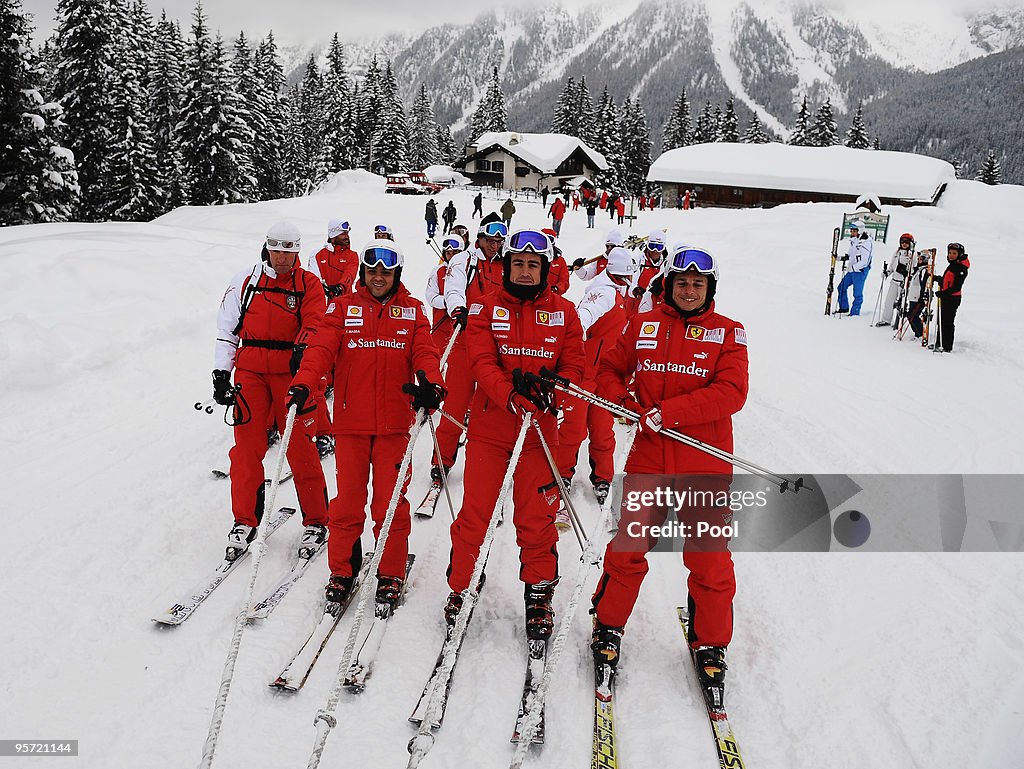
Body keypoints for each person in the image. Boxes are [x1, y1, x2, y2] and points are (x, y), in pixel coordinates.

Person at [590, 244, 748, 712]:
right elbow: (608, 370)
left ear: (709, 288)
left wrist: (671, 412)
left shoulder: (728, 333)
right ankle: (607, 627)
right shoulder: (641, 325)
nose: (689, 289)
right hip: (650, 457)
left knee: (710, 560)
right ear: (669, 285)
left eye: (698, 283)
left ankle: (711, 644)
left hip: (706, 462)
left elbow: (732, 391)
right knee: (628, 549)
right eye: (682, 282)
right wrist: (625, 403)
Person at [444, 228, 586, 642]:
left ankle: (539, 592)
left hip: (540, 433)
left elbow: (575, 364)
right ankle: (461, 585)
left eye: (533, 265)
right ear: (506, 266)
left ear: (545, 269)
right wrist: (509, 394)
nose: (525, 272)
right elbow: (483, 362)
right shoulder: (484, 309)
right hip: (492, 429)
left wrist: (553, 387)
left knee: (537, 517)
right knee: (476, 515)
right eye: (518, 264)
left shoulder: (566, 312)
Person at [288, 239, 445, 610]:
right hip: (351, 425)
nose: (378, 277)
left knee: (390, 504)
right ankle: (342, 569)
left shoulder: (413, 311)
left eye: (385, 271)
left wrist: (432, 383)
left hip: (394, 426)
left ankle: (390, 571)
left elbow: (425, 351)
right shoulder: (343, 308)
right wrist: (302, 383)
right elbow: (321, 349)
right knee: (347, 504)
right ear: (363, 272)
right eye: (372, 270)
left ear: (396, 274)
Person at [212, 220, 330, 561]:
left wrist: (302, 348)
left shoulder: (309, 283)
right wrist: (222, 372)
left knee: (300, 449)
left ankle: (317, 521)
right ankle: (244, 519)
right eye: (277, 249)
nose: (282, 257)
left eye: (289, 250)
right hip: (250, 375)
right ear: (267, 247)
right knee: (246, 450)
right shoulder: (246, 281)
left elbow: (316, 322)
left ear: (297, 251)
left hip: (290, 375)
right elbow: (227, 328)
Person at [428, 215, 509, 491]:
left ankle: (490, 460)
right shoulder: (465, 260)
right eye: (490, 240)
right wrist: (458, 309)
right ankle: (441, 460)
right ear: (480, 238)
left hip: (495, 345)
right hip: (465, 341)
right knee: (456, 404)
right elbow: (453, 288)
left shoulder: (506, 262)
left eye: (499, 241)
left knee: (490, 408)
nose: (495, 246)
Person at [555, 246, 635, 525]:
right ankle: (562, 474)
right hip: (584, 374)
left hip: (605, 376)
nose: (627, 282)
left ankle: (603, 478)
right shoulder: (604, 292)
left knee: (602, 431)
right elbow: (582, 315)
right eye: (625, 277)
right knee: (573, 429)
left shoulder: (621, 292)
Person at [306, 218, 360, 456]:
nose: (346, 236)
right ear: (332, 235)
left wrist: (340, 286)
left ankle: (341, 379)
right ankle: (327, 379)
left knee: (345, 343)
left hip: (346, 306)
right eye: (342, 233)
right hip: (324, 308)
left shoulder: (352, 255)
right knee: (324, 344)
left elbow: (351, 272)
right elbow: (313, 276)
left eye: (347, 232)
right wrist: (322, 288)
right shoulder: (318, 255)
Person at [425, 234, 466, 354]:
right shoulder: (437, 271)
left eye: (455, 253)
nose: (451, 256)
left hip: (460, 326)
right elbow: (430, 296)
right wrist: (447, 301)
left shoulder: (467, 270)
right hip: (441, 326)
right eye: (448, 253)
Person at [934, 242, 970, 352]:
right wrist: (936, 278)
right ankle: (939, 343)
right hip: (946, 297)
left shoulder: (961, 268)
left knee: (947, 323)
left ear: (959, 254)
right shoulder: (953, 265)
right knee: (941, 321)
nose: (951, 255)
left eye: (954, 253)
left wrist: (943, 293)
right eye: (949, 253)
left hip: (952, 299)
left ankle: (946, 346)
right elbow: (947, 280)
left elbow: (956, 287)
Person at [835, 220, 873, 316]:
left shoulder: (866, 243)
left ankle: (854, 313)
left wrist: (852, 268)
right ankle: (844, 307)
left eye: (854, 231)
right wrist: (842, 258)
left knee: (857, 294)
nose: (852, 233)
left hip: (860, 271)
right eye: (851, 231)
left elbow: (865, 261)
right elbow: (851, 254)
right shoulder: (854, 240)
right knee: (841, 287)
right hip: (852, 270)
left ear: (859, 230)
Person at [877, 233, 915, 327]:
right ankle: (886, 320)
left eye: (906, 242)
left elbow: (914, 268)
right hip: (894, 281)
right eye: (903, 242)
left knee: (901, 303)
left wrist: (908, 273)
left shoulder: (912, 254)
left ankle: (899, 322)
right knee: (889, 301)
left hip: (903, 282)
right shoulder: (896, 253)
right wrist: (887, 272)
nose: (904, 244)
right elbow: (892, 266)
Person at [904, 250, 932, 339]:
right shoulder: (919, 270)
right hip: (913, 297)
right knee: (911, 315)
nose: (918, 260)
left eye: (920, 258)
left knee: (912, 316)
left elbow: (924, 284)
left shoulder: (924, 270)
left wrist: (922, 296)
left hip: (918, 298)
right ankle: (918, 332)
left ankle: (920, 333)